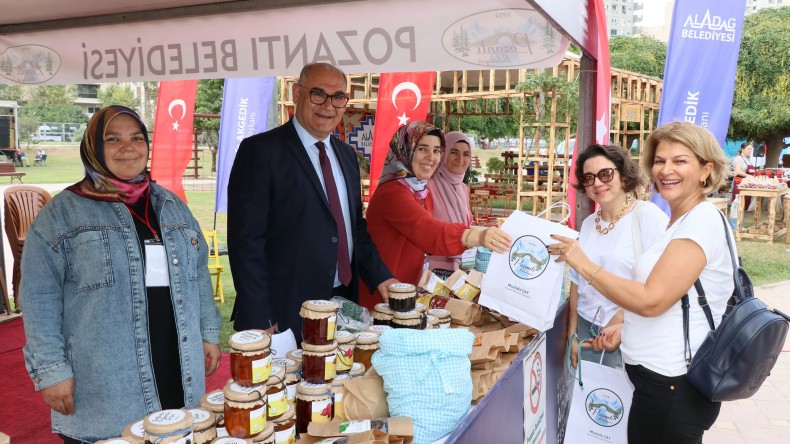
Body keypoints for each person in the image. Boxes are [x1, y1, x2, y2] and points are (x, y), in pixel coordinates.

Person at [21, 106, 221, 443]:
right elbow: (39, 296)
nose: (127, 147)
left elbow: (198, 273)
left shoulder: (171, 205)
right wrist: (51, 371)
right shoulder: (62, 214)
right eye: (112, 139)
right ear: (93, 148)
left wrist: (209, 331)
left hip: (176, 361)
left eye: (136, 138)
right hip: (105, 379)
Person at [549, 121, 732, 443]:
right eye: (660, 161)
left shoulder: (698, 222)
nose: (666, 170)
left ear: (707, 169)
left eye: (680, 160)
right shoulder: (683, 220)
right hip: (657, 378)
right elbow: (667, 294)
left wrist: (583, 263)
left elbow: (651, 299)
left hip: (674, 381)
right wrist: (619, 326)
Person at [228, 63, 396, 340]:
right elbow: (246, 242)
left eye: (338, 97)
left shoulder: (346, 156)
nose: (328, 106)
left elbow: (354, 227)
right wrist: (260, 314)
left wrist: (381, 277)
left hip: (341, 301)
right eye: (318, 94)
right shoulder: (260, 152)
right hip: (284, 308)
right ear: (297, 93)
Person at [361, 122, 511, 309]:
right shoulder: (393, 192)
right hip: (383, 296)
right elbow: (430, 232)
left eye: (437, 150)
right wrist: (478, 236)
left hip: (406, 292)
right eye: (422, 149)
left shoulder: (420, 191)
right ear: (404, 150)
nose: (431, 158)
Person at [566, 144, 668, 370]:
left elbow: (664, 282)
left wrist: (622, 319)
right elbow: (576, 282)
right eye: (588, 178)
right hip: (586, 333)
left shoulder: (647, 217)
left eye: (605, 174)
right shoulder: (588, 223)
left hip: (629, 331)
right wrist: (572, 335)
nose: (597, 183)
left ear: (623, 175)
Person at [426, 131, 474, 271]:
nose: (460, 159)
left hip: (460, 268)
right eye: (453, 152)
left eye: (466, 154)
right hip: (432, 270)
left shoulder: (463, 189)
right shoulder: (427, 186)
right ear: (443, 154)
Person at [731, 142, 755, 211]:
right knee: (739, 202)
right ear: (742, 149)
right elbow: (738, 171)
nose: (750, 151)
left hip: (747, 183)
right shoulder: (738, 159)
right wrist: (749, 176)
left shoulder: (748, 160)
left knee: (745, 201)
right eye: (748, 149)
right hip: (740, 182)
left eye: (751, 149)